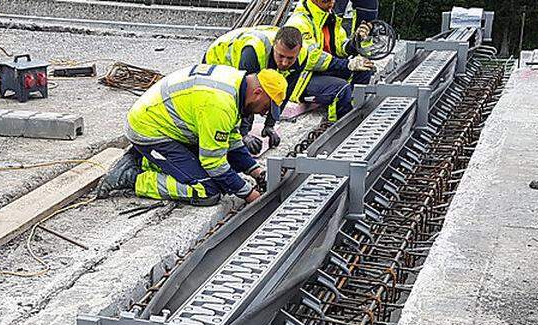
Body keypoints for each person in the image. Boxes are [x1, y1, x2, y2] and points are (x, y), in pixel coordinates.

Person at [98, 64, 287, 206]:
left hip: (166, 124)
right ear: (257, 93)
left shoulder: (236, 83)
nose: (263, 113)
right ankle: (133, 177)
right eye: (266, 107)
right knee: (208, 191)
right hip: (150, 132)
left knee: (224, 173)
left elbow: (230, 138)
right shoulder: (219, 104)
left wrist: (256, 171)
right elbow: (213, 163)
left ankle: (143, 158)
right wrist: (249, 194)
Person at [203, 25, 361, 152]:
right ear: (274, 47)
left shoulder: (303, 56)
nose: (284, 63)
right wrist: (243, 134)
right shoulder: (253, 53)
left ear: (298, 52)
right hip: (218, 59)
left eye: (290, 58)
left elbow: (283, 93)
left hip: (244, 54)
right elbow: (247, 97)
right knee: (221, 106)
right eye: (280, 56)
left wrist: (270, 125)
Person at [284, 0, 376, 121]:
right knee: (341, 88)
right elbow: (312, 59)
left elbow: (340, 47)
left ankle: (353, 108)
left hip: (322, 71)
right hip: (302, 78)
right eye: (326, 0)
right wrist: (347, 64)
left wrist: (356, 41)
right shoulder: (299, 22)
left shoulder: (328, 16)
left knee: (364, 70)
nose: (332, 3)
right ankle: (338, 122)